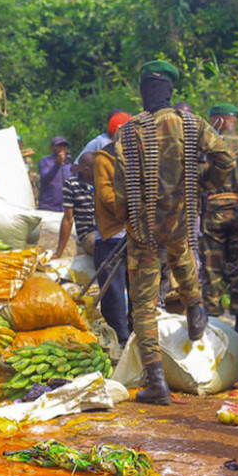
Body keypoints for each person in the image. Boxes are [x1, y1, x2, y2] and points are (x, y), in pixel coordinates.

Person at [113, 60, 235, 405]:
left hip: (144, 229)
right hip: (181, 220)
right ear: (170, 91)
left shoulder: (131, 129)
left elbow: (121, 187)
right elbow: (224, 159)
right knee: (184, 260)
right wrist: (202, 184)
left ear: (144, 92)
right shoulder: (192, 123)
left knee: (143, 304)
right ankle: (196, 309)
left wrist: (126, 218)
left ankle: (156, 382)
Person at [200, 103, 238, 336]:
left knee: (212, 267)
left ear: (219, 120)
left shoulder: (209, 147)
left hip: (213, 211)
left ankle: (214, 324)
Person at [93, 113, 133, 345]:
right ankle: (121, 338)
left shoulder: (135, 155)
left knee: (137, 290)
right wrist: (130, 207)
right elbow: (106, 194)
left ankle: (136, 335)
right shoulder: (103, 158)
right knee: (114, 294)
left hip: (135, 232)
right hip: (113, 233)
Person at [56, 152, 98, 257]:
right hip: (89, 235)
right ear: (87, 170)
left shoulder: (102, 182)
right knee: (102, 246)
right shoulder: (71, 184)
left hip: (108, 231)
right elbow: (68, 219)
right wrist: (58, 253)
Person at [37, 136, 72, 212]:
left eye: (64, 146)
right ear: (51, 148)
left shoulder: (69, 166)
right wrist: (57, 164)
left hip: (64, 209)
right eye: (59, 145)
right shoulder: (45, 161)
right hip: (48, 207)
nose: (62, 148)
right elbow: (45, 178)